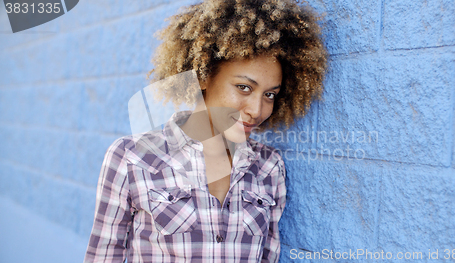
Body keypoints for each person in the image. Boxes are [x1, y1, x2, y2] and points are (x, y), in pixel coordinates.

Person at [84, 0, 327, 262]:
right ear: (203, 75)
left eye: (269, 94)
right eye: (244, 87)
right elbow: (103, 256)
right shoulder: (132, 158)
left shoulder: (269, 167)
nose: (257, 110)